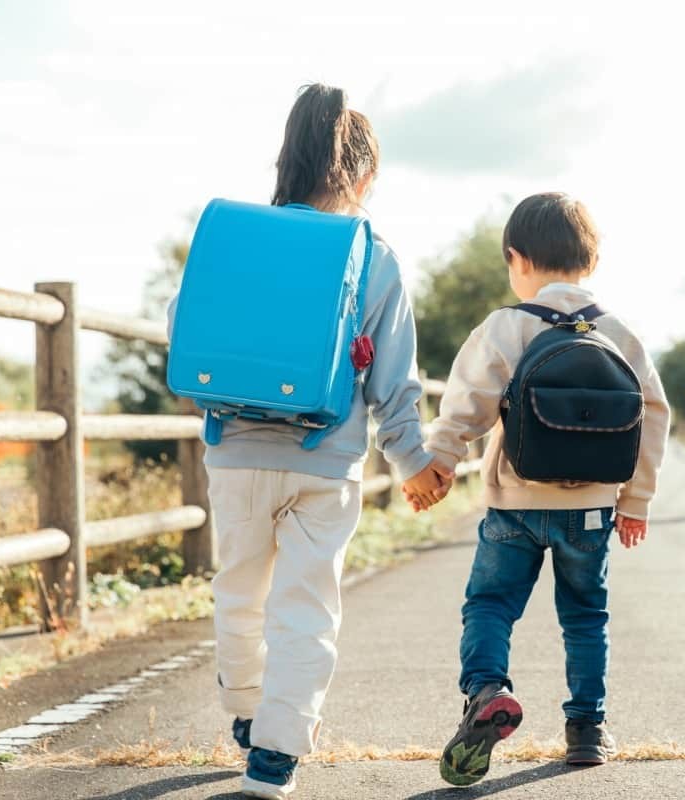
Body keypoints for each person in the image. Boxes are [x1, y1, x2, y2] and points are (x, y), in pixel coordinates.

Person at [168, 84, 450, 800]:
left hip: (234, 450)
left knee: (238, 590)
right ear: (361, 177)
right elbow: (395, 377)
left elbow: (184, 327)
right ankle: (276, 752)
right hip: (326, 461)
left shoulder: (234, 236)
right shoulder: (371, 251)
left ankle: (245, 711)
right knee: (306, 606)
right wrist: (413, 463)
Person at [406, 193, 671, 787]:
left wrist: (439, 464)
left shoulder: (506, 325)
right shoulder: (619, 332)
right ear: (592, 261)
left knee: (491, 604)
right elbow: (653, 413)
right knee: (585, 616)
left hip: (514, 504)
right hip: (593, 510)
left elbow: (465, 407)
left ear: (515, 258)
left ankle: (486, 689)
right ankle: (586, 732)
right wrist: (636, 500)